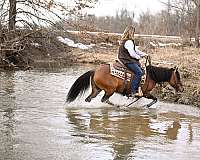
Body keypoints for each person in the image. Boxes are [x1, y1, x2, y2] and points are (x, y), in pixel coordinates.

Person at [118, 25, 148, 96]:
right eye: (133, 32)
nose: (134, 34)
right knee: (139, 72)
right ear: (131, 32)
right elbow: (132, 53)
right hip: (127, 60)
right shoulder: (129, 42)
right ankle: (133, 91)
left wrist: (144, 54)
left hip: (123, 59)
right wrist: (139, 58)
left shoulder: (125, 41)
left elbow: (135, 50)